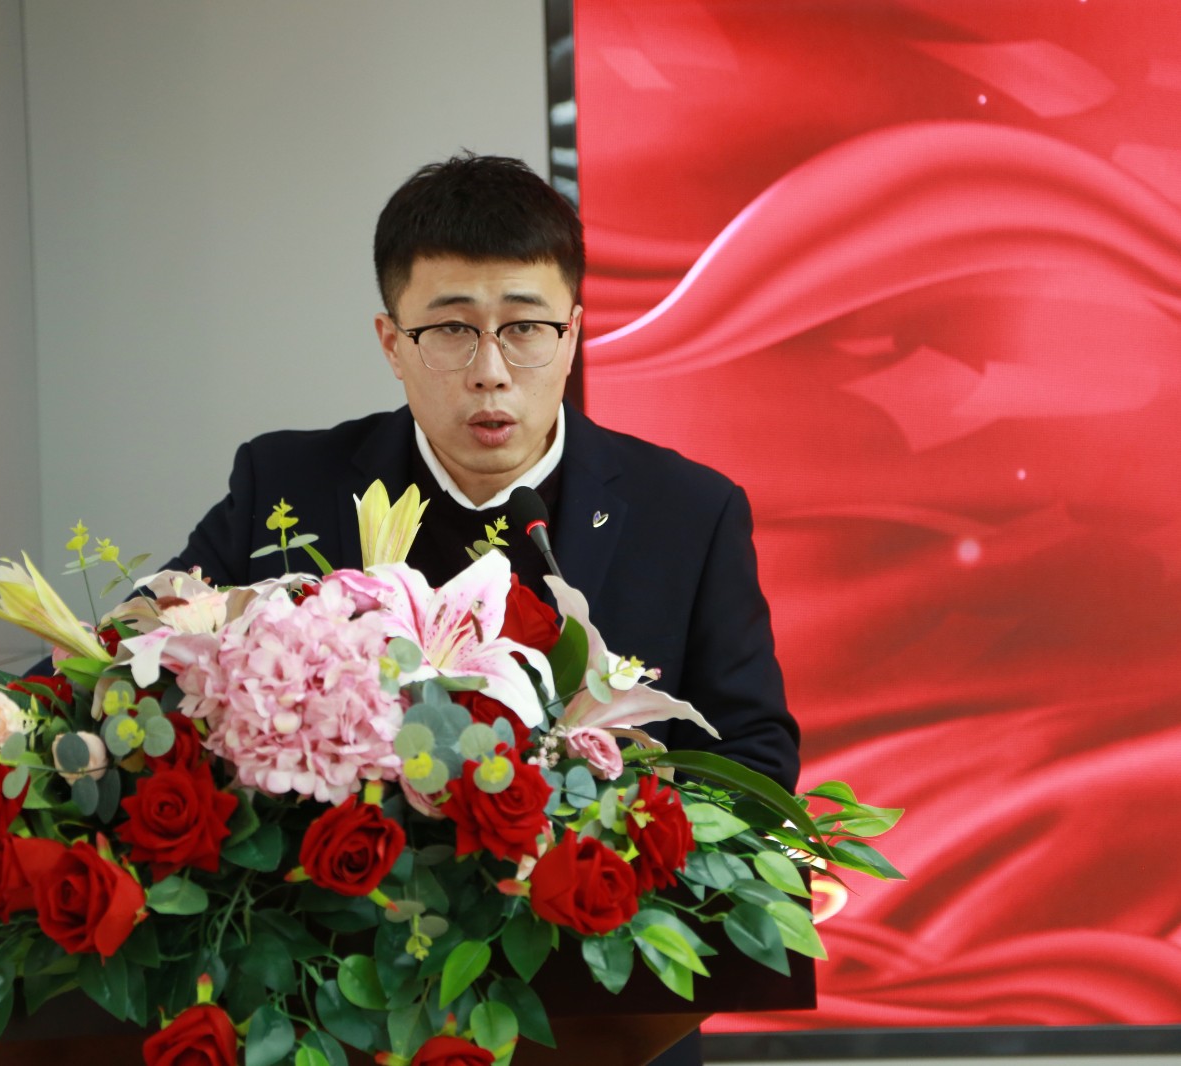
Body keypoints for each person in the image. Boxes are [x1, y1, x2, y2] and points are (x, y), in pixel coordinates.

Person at [164, 152, 798, 1065]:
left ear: (573, 335)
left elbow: (755, 757)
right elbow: (160, 643)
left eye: (525, 328)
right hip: (340, 1005)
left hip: (600, 1012)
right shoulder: (288, 486)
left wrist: (613, 834)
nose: (491, 371)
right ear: (392, 342)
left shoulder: (688, 511)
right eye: (452, 331)